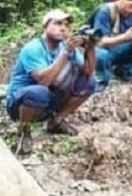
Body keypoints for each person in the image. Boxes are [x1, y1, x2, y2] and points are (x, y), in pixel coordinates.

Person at [6, 9, 97, 154]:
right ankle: (24, 131)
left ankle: (56, 122)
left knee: (89, 82)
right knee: (39, 92)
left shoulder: (65, 47)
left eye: (66, 25)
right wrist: (66, 52)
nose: (63, 28)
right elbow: (44, 81)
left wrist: (90, 48)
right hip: (20, 104)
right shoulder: (33, 48)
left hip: (48, 100)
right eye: (57, 23)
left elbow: (87, 72)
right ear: (45, 26)